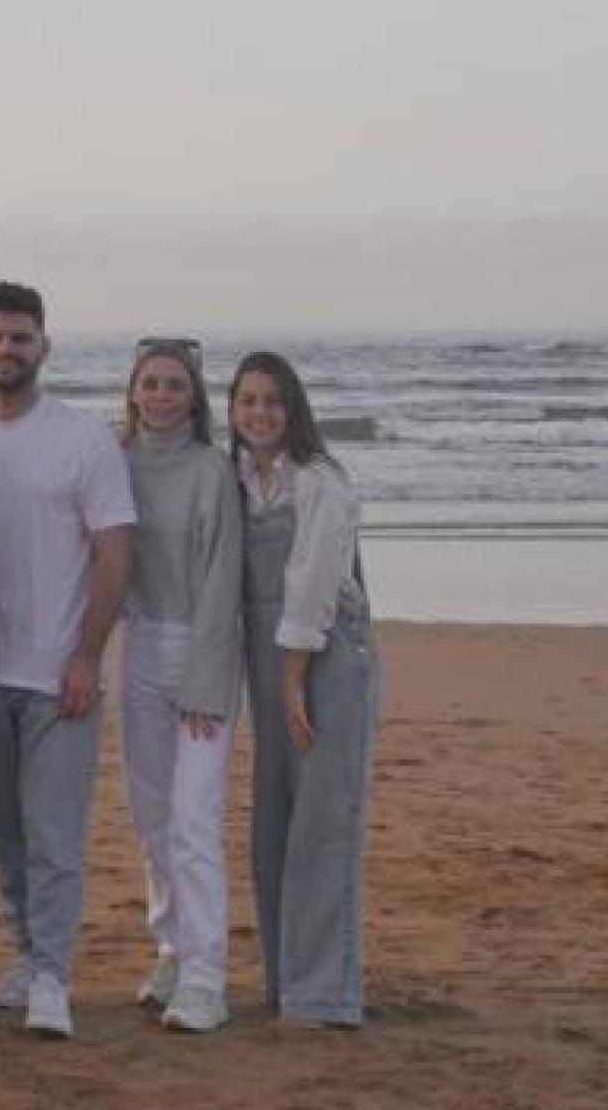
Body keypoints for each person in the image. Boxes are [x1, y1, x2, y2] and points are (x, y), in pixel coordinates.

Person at [0, 280, 135, 1039]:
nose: (6, 351)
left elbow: (115, 552)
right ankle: (24, 955)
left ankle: (52, 976)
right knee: (0, 830)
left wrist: (86, 654)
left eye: (19, 338)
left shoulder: (82, 439)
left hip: (59, 679)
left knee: (53, 834)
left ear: (43, 346)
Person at [228, 350, 380, 1029]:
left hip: (324, 660)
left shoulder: (321, 481)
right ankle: (285, 982)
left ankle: (323, 997)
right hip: (270, 661)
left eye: (273, 401)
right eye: (248, 401)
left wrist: (290, 681)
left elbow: (315, 584)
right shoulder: (238, 477)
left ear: (295, 410)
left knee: (322, 821)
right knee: (275, 823)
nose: (260, 413)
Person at [115, 339, 243, 1033]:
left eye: (174, 385)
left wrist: (204, 678)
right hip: (139, 649)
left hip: (201, 653)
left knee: (196, 822)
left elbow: (224, 580)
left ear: (194, 397)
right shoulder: (115, 462)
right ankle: (171, 946)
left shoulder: (211, 471)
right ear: (132, 392)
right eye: (150, 383)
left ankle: (207, 976)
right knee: (153, 820)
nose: (161, 395)